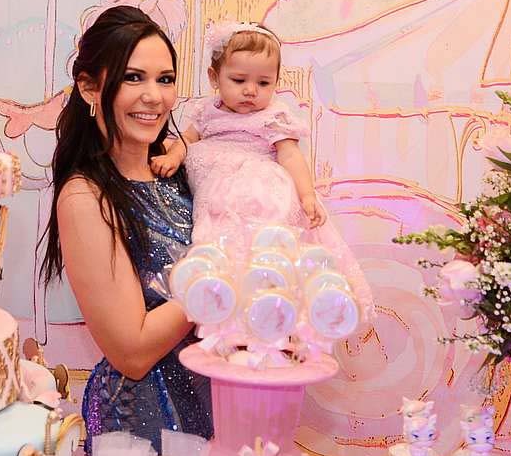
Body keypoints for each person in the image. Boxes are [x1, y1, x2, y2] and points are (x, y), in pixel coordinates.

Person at [40, 5, 212, 456]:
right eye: (133, 78)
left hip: (216, 405)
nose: (154, 96)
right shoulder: (86, 197)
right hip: (145, 424)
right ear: (90, 87)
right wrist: (221, 280)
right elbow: (131, 350)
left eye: (165, 79)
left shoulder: (182, 174)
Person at [150, 20, 372, 311]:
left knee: (266, 235)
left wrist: (307, 195)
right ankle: (220, 280)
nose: (251, 91)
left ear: (276, 82)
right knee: (216, 235)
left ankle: (264, 277)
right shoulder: (206, 111)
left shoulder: (272, 116)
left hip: (259, 189)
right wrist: (172, 157)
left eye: (263, 83)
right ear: (214, 77)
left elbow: (290, 155)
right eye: (239, 80)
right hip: (217, 194)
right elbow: (186, 139)